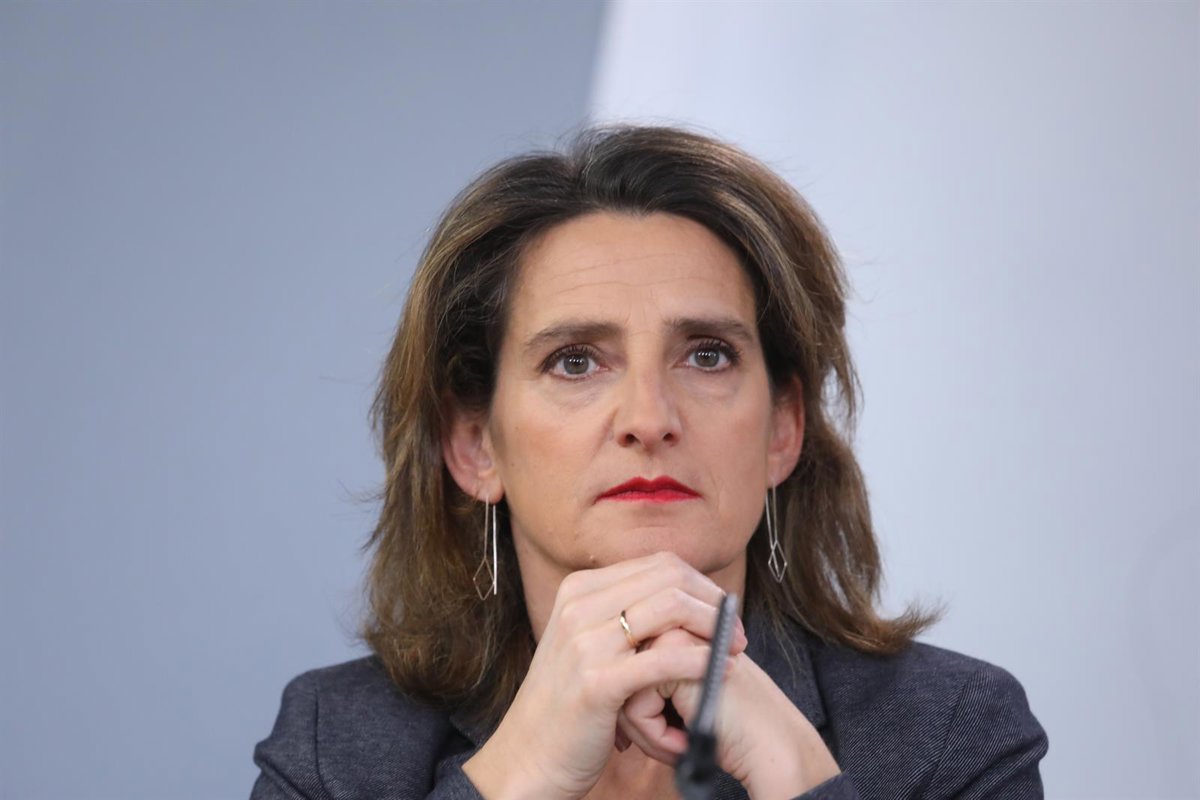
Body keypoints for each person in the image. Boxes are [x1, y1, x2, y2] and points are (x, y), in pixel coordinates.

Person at [250, 126, 1048, 800]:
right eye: (574, 361)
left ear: (782, 430)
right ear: (474, 445)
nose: (648, 419)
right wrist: (517, 776)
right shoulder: (336, 748)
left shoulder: (952, 732)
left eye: (707, 355)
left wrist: (795, 774)